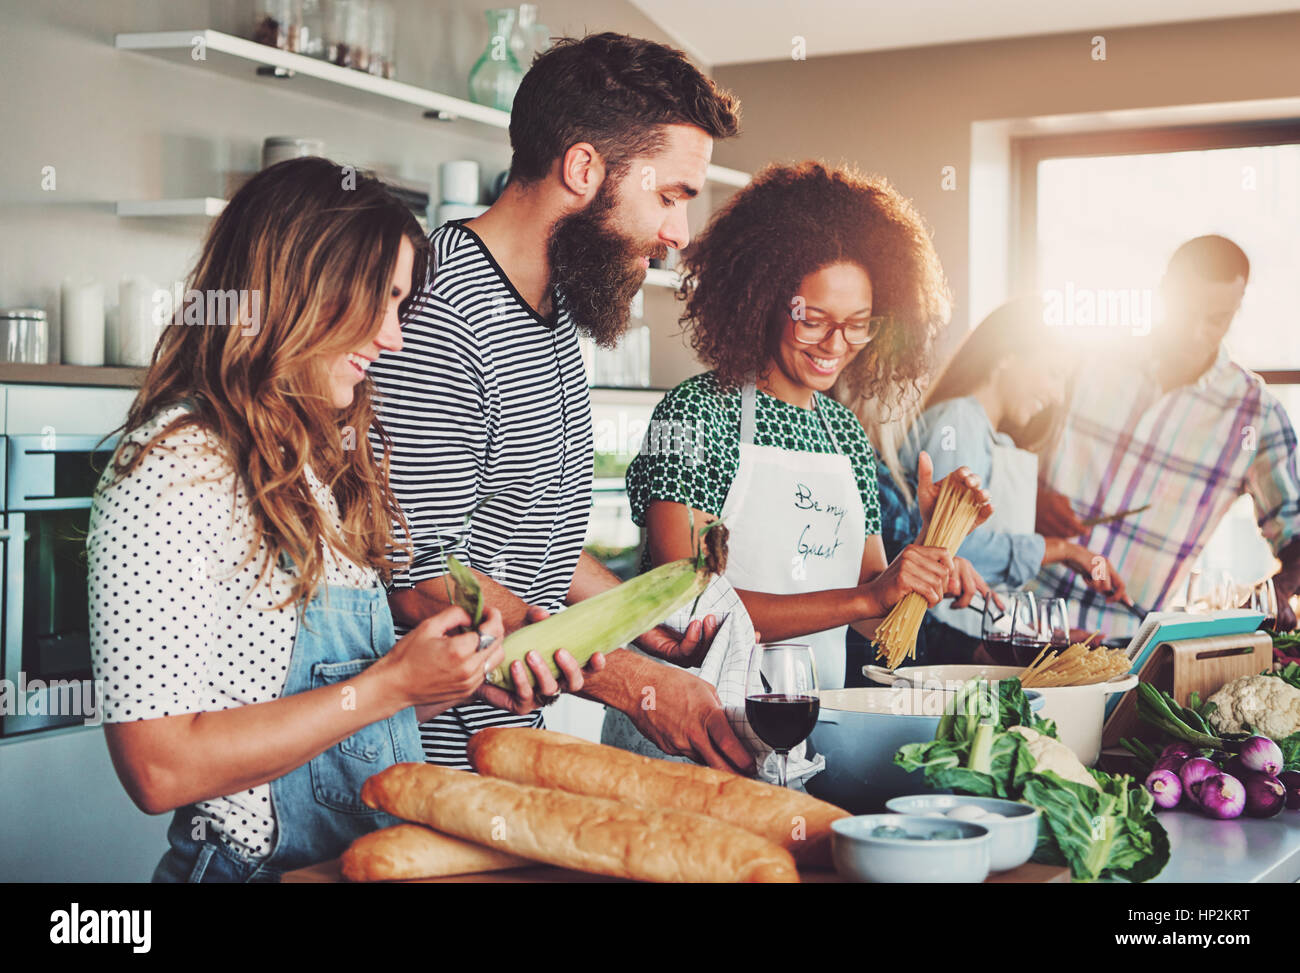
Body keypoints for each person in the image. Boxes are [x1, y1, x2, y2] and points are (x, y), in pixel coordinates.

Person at [88, 159, 508, 882]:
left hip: (350, 864)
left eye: (399, 306)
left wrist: (445, 682)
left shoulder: (314, 462)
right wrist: (389, 686)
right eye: (374, 303)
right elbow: (158, 767)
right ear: (293, 287)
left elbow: (322, 720)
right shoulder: (177, 464)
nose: (392, 337)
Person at [368, 33, 755, 773]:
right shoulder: (441, 315)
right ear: (583, 168)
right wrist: (635, 684)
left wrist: (639, 616)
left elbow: (518, 528)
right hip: (416, 770)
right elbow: (421, 574)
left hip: (499, 756)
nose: (678, 234)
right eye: (670, 195)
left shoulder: (548, 312)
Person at [626, 161, 994, 691]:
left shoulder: (844, 434)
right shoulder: (695, 415)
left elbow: (870, 617)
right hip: (682, 730)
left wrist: (926, 556)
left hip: (801, 731)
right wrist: (867, 596)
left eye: (857, 324)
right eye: (813, 319)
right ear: (761, 301)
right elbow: (685, 603)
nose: (835, 345)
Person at [1034, 235, 1300, 637]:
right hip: (1018, 615)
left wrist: (1275, 592)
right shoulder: (1087, 362)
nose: (1195, 333)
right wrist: (1029, 495)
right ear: (1164, 291)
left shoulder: (1256, 414)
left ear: (1236, 310)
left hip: (1126, 644)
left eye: (1215, 319)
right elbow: (1003, 451)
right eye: (1186, 311)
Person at [897, 298, 1129, 653]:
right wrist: (1065, 550)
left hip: (971, 634)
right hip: (938, 639)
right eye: (1054, 373)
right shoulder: (958, 422)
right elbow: (947, 553)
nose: (1057, 395)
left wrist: (1032, 629)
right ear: (1006, 356)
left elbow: (981, 577)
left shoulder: (989, 435)